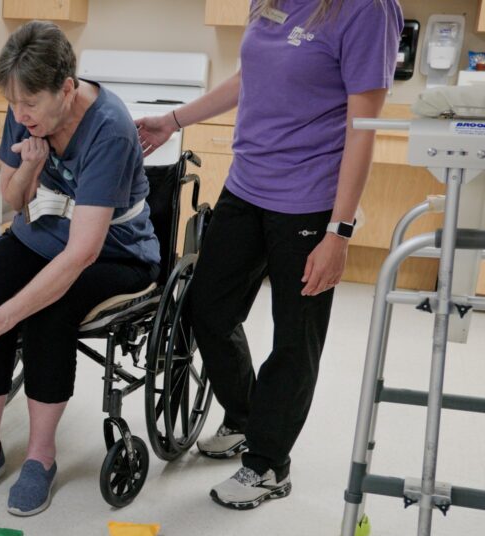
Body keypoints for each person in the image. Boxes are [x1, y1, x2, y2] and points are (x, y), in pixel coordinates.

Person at [136, 0, 402, 510]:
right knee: (207, 308)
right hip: (246, 186)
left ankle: (268, 464)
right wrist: (174, 119)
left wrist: (339, 232)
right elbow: (248, 79)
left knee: (294, 338)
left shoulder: (367, 9)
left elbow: (361, 129)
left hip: (310, 200)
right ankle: (246, 418)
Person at [0, 20, 160, 516]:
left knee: (48, 312)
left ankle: (41, 456)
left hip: (116, 250)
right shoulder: (24, 109)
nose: (21, 115)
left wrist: (6, 319)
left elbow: (83, 252)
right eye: (14, 104)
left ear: (66, 88)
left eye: (31, 105)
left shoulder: (109, 127)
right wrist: (29, 167)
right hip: (46, 229)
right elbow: (14, 201)